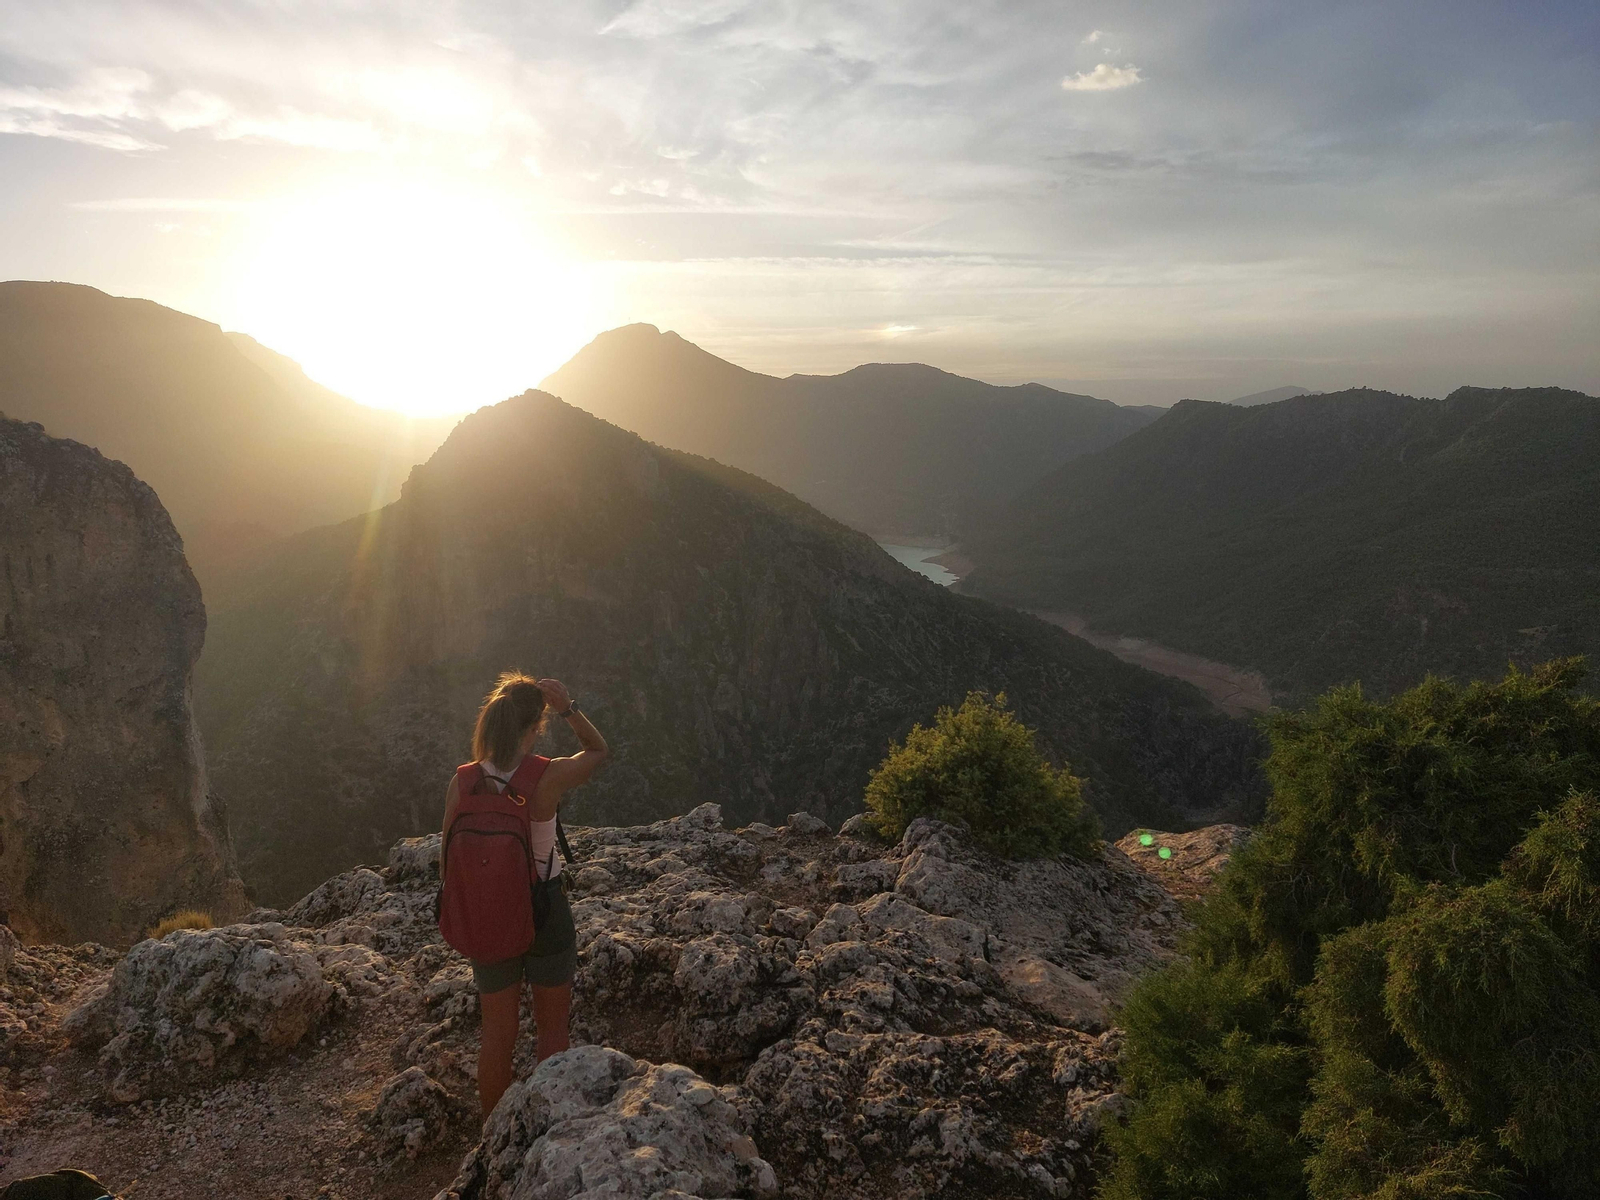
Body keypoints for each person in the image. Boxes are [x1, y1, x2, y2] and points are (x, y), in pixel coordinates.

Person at [440, 672, 607, 1117]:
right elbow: (598, 751)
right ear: (536, 728)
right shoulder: (546, 776)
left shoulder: (463, 782)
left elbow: (446, 860)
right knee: (552, 1032)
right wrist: (569, 708)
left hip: (488, 915)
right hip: (544, 910)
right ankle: (548, 1127)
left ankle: (493, 1139)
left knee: (497, 1037)